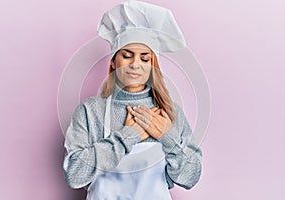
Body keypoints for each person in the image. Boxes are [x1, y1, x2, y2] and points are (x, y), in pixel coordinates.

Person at [63, 1, 202, 199]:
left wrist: (167, 136)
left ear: (153, 65)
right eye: (127, 56)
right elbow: (74, 175)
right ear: (113, 61)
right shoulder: (90, 111)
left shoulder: (170, 112)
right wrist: (129, 135)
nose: (135, 64)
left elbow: (190, 178)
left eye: (145, 58)